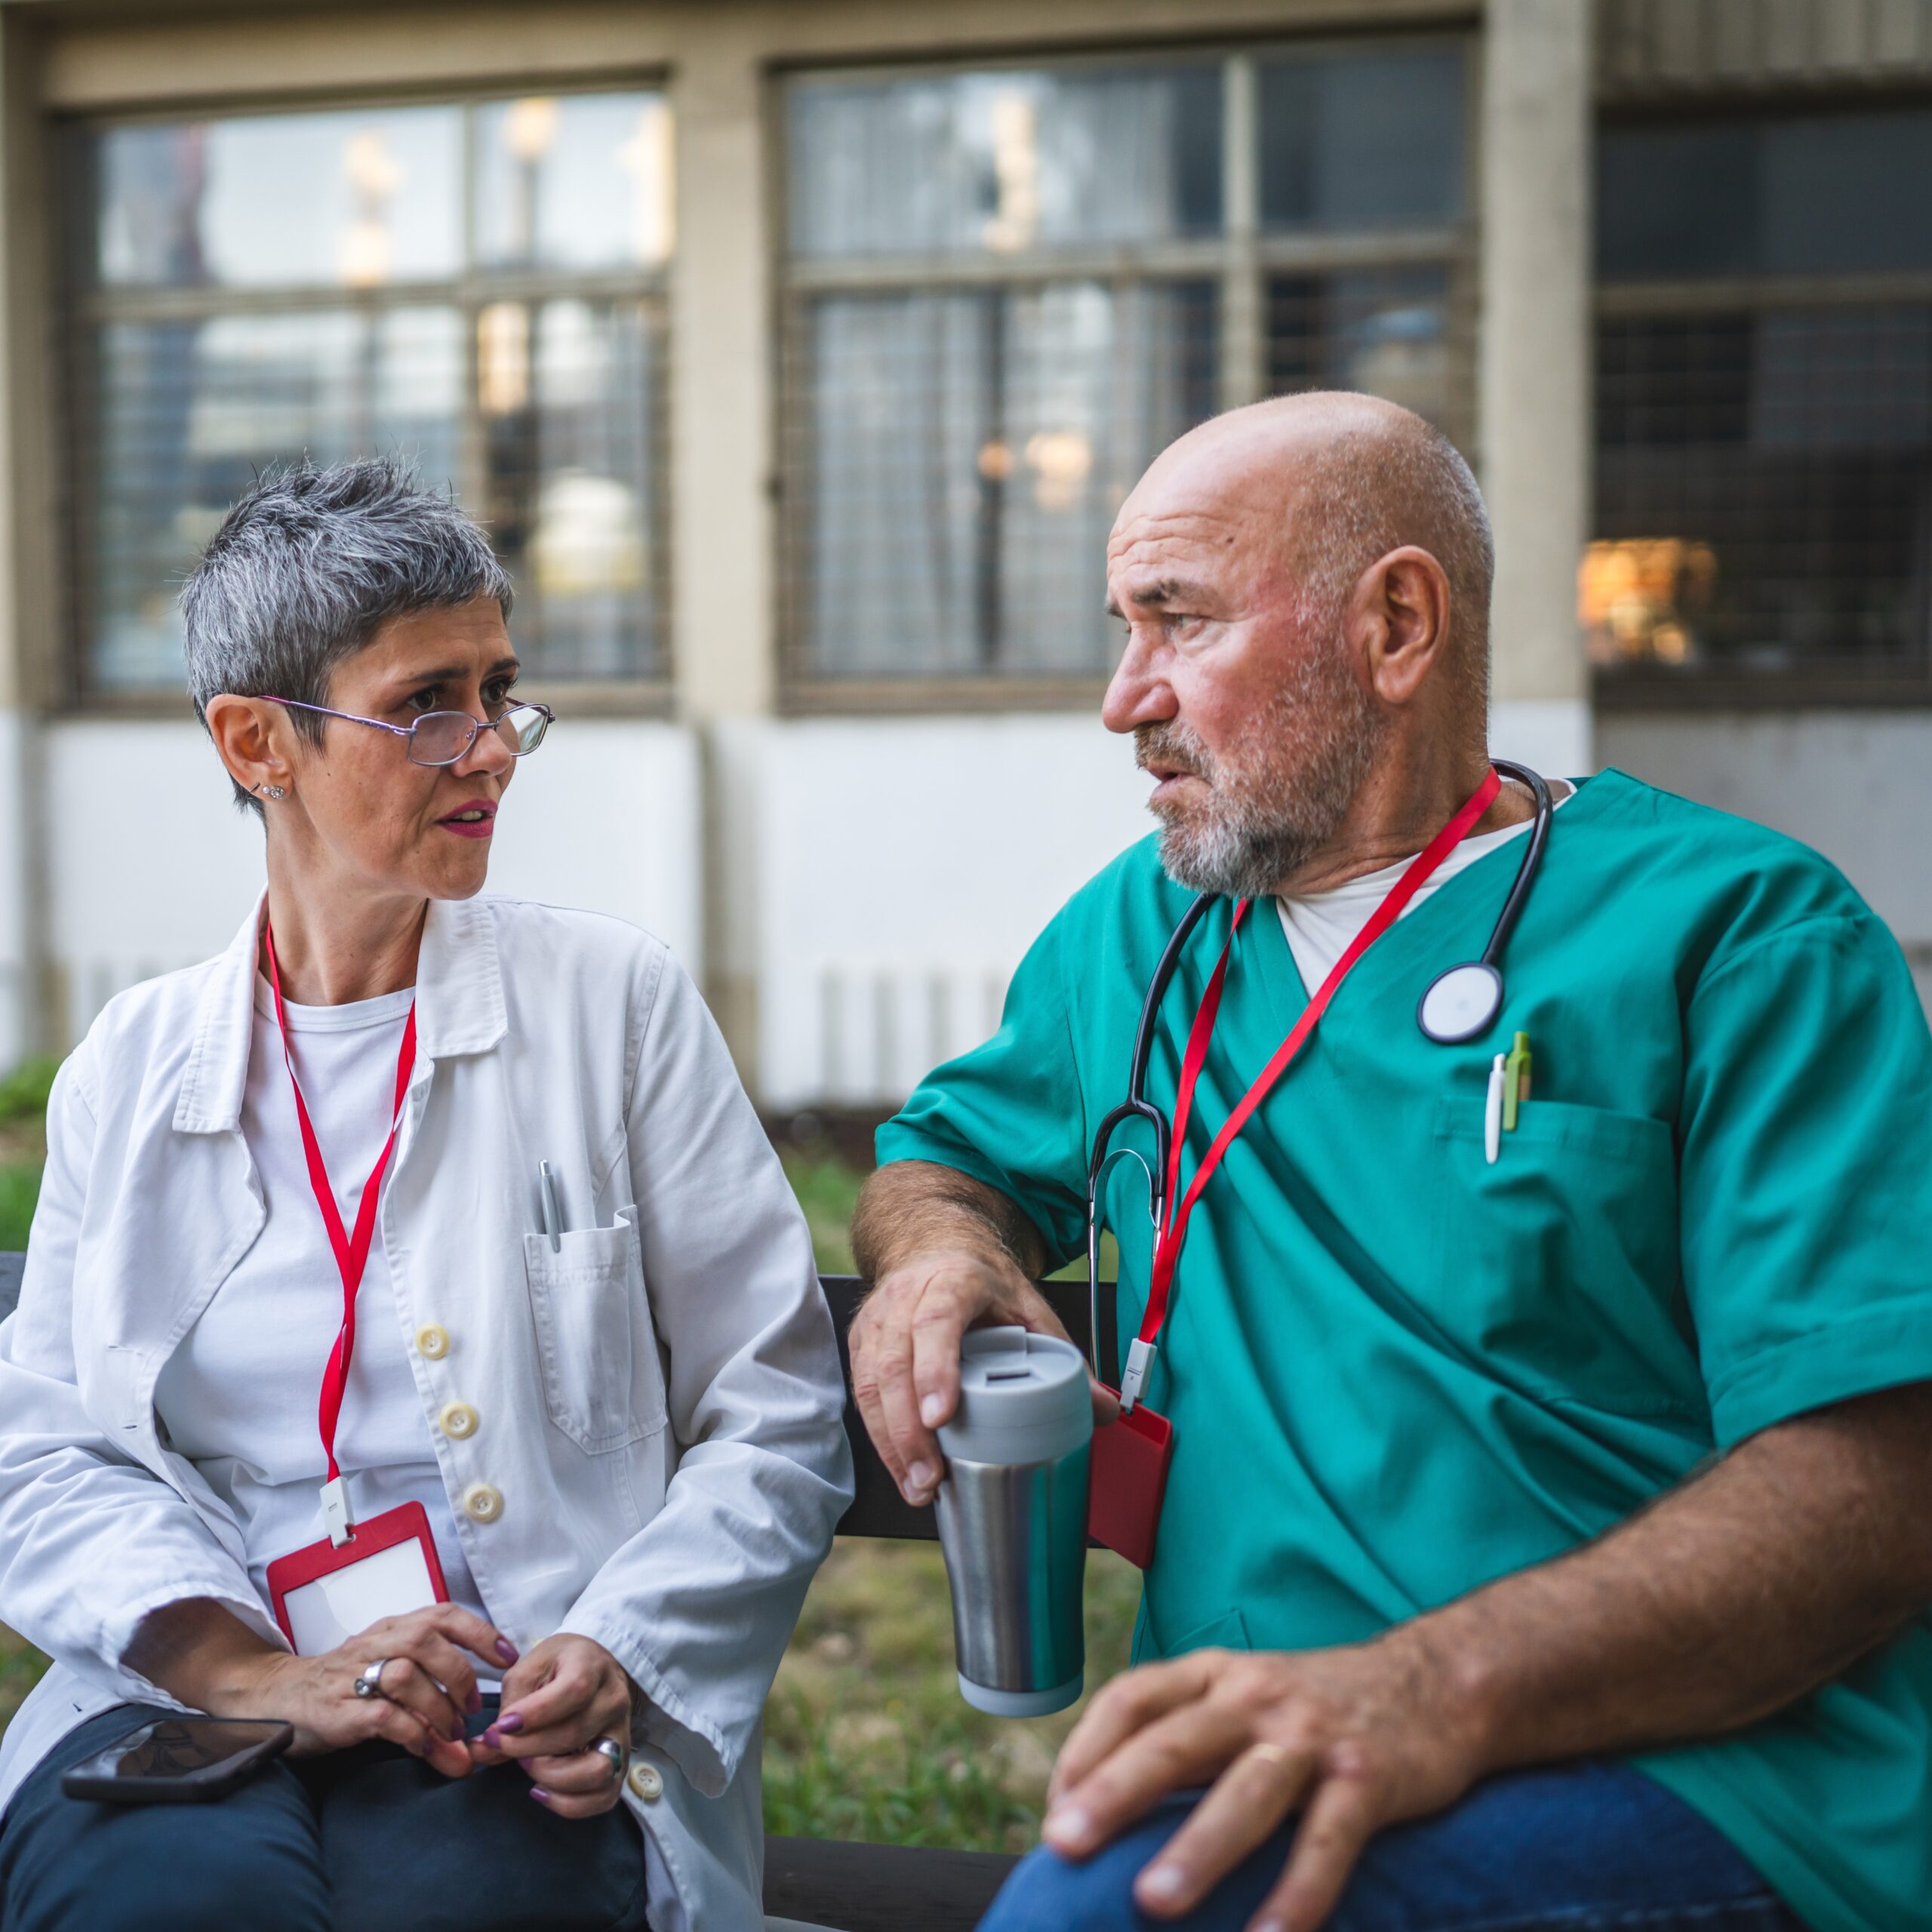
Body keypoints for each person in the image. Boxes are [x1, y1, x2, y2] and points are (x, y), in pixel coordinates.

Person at [848, 392, 1932, 1932]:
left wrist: (1426, 1686)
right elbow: (940, 1155)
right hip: (1254, 1745)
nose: (1121, 697)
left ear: (1397, 624)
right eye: (1122, 627)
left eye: (1176, 621)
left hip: (1695, 1761)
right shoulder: (1145, 928)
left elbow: (1867, 1495)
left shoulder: (1740, 934)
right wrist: (945, 1249)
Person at [0, 459, 854, 1932]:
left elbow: (772, 1406)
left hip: (511, 1710)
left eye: (498, 689)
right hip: (198, 1695)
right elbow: (49, 1451)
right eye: (422, 704)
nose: (491, 747)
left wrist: (619, 1651)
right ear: (256, 740)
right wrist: (258, 1674)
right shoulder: (129, 1073)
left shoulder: (610, 1007)